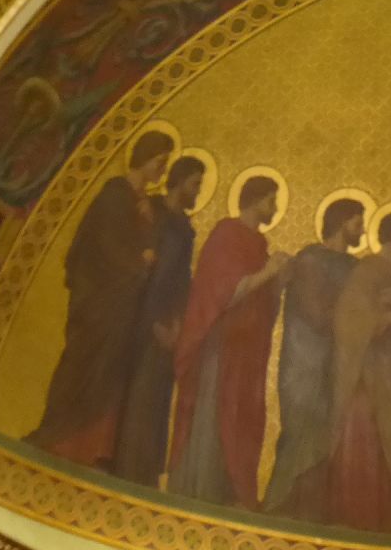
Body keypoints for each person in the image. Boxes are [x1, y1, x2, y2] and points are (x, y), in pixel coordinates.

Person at [28, 129, 173, 469]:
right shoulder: (114, 195)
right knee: (85, 366)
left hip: (124, 306)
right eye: (160, 162)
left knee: (110, 375)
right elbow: (104, 246)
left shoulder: (144, 205)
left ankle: (93, 449)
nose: (162, 170)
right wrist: (141, 260)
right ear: (144, 158)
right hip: (100, 302)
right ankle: (57, 437)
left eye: (165, 164)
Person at [169, 176, 289, 507]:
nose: (275, 207)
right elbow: (222, 292)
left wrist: (279, 281)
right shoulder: (227, 233)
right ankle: (202, 490)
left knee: (240, 418)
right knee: (215, 412)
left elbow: (262, 302)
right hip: (221, 348)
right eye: (271, 200)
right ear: (256, 199)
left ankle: (228, 492)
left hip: (246, 352)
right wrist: (268, 273)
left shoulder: (259, 243)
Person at [328, 210, 391, 531]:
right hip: (370, 384)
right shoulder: (368, 272)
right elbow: (347, 320)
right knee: (369, 452)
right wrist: (387, 317)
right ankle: (363, 523)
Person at [264, 198, 365, 520]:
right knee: (300, 433)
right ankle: (279, 506)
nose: (362, 229)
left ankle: (313, 510)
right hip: (305, 364)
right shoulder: (310, 259)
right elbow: (316, 313)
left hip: (336, 366)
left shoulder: (354, 268)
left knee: (330, 437)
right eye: (357, 221)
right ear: (341, 222)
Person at [112, 155, 205, 486]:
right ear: (179, 181)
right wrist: (152, 318)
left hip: (167, 318)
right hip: (138, 312)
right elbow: (138, 258)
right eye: (195, 184)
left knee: (155, 395)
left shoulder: (185, 228)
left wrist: (177, 321)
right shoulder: (152, 211)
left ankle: (143, 472)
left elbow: (181, 278)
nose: (198, 191)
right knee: (133, 390)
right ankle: (122, 466)